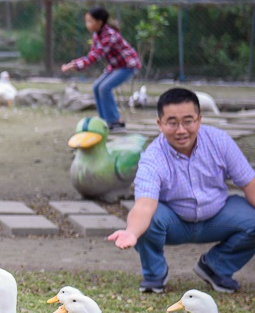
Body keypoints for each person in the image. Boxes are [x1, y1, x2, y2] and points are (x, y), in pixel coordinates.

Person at [108, 88, 255, 293]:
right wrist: (132, 233)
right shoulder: (152, 157)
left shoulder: (220, 141)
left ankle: (216, 268)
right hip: (174, 221)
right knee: (147, 221)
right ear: (160, 124)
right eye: (172, 122)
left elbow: (250, 185)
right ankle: (154, 275)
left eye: (188, 121)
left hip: (218, 216)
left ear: (199, 120)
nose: (181, 130)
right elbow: (144, 205)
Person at [61, 7, 140, 133]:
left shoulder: (109, 36)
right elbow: (92, 53)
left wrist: (75, 65)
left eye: (90, 21)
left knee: (104, 88)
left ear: (100, 22)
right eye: (86, 21)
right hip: (115, 67)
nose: (87, 25)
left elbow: (95, 57)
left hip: (127, 66)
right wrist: (75, 63)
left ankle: (114, 122)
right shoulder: (97, 34)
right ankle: (104, 121)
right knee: (96, 86)